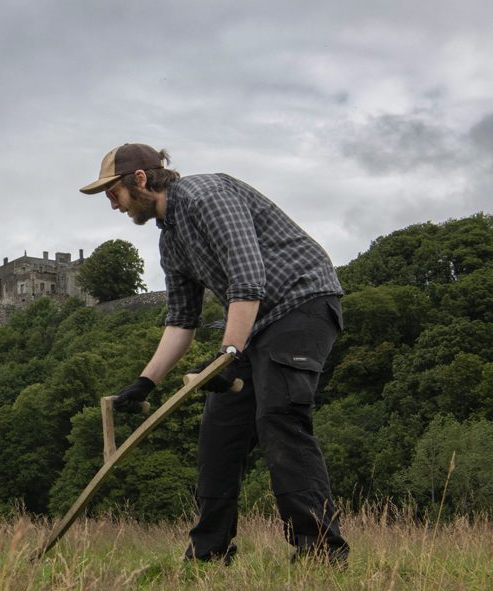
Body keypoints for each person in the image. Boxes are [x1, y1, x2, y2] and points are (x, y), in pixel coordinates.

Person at [79, 142, 349, 567]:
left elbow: (248, 278)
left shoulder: (208, 197)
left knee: (278, 417)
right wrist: (145, 382)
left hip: (302, 304)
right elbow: (181, 321)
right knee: (219, 431)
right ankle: (207, 556)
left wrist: (227, 353)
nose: (112, 204)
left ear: (141, 180)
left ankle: (320, 553)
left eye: (113, 193)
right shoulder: (171, 240)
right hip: (254, 323)